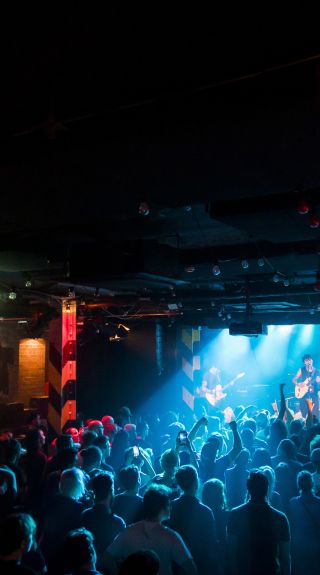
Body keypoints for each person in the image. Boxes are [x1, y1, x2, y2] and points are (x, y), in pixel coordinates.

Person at [101, 485, 197, 575]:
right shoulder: (170, 536)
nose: (170, 507)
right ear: (162, 507)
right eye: (168, 504)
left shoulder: (129, 531)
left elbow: (106, 559)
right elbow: (191, 569)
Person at [227, 469, 291, 575]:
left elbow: (231, 553)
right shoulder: (280, 518)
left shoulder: (236, 514)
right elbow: (285, 557)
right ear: (267, 489)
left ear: (248, 488)